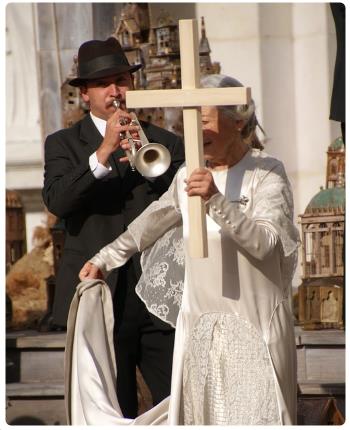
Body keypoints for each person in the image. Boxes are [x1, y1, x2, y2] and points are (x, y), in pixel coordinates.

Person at [70, 74, 299, 425]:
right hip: (201, 328)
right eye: (187, 123)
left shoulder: (266, 172)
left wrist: (217, 201)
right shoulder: (188, 175)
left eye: (203, 120)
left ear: (237, 120)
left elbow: (266, 245)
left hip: (255, 328)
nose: (194, 132)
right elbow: (151, 222)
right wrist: (104, 259)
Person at [42, 37, 185, 418]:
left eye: (121, 79)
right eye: (104, 83)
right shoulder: (63, 144)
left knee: (176, 401)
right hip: (99, 289)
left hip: (157, 291)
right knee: (109, 408)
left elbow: (180, 206)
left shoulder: (166, 142)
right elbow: (57, 201)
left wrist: (145, 160)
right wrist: (103, 153)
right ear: (85, 94)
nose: (115, 91)